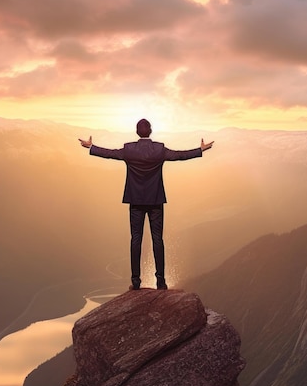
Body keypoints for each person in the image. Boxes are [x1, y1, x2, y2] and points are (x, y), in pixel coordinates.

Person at [79, 118, 213, 290]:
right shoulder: (159, 149)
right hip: (155, 200)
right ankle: (161, 281)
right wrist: (200, 150)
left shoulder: (129, 149)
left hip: (135, 201)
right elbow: (179, 156)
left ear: (137, 132)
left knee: (136, 239)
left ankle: (136, 281)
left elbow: (110, 153)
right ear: (150, 131)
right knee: (158, 239)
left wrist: (91, 147)